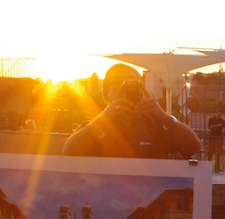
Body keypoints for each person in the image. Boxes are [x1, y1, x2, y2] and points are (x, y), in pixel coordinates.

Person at [62, 64, 202, 159]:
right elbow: (68, 152)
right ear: (106, 93)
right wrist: (102, 119)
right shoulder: (96, 127)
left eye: (132, 83)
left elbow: (193, 146)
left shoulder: (156, 125)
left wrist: (163, 116)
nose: (125, 88)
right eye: (118, 82)